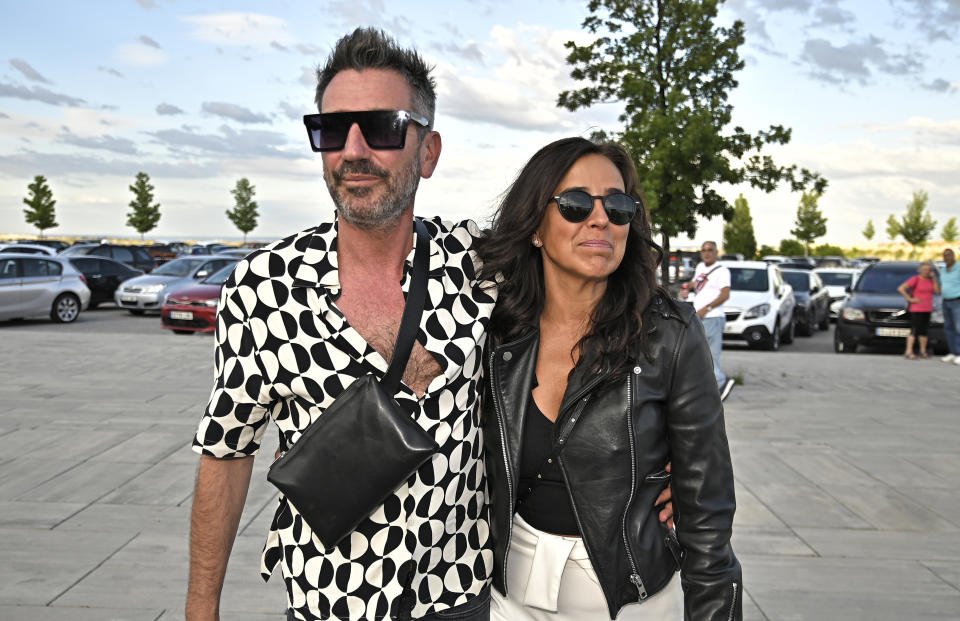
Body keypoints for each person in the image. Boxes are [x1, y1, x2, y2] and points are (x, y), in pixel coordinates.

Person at [185, 29, 674, 621]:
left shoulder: (482, 266)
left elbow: (595, 302)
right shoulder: (261, 286)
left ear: (429, 151)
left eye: (384, 128)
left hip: (461, 597)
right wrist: (200, 608)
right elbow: (227, 451)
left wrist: (654, 452)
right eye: (333, 130)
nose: (354, 150)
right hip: (328, 602)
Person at [477, 138, 741, 621]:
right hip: (505, 599)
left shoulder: (670, 334)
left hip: (633, 602)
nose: (600, 219)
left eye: (618, 206)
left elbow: (708, 510)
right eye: (575, 204)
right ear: (535, 226)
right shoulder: (491, 329)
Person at [681, 241, 734, 401]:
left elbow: (725, 294)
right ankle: (707, 390)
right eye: (703, 250)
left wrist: (707, 309)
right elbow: (697, 284)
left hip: (713, 317)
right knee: (699, 355)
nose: (706, 253)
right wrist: (686, 289)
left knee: (712, 354)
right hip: (699, 317)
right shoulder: (700, 268)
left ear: (716, 252)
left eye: (710, 250)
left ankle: (721, 384)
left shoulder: (722, 271)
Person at [897, 261, 940, 359]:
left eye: (928, 270)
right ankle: (908, 351)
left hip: (927, 308)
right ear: (920, 270)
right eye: (924, 270)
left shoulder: (930, 281)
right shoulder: (915, 279)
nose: (926, 272)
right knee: (915, 330)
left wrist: (934, 279)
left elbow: (937, 291)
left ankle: (923, 351)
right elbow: (901, 288)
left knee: (923, 331)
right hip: (917, 309)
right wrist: (910, 299)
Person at [938, 248, 960, 365]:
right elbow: (941, 285)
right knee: (948, 328)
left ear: (954, 256)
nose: (947, 257)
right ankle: (953, 352)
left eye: (949, 255)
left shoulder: (959, 268)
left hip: (957, 301)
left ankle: (959, 353)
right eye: (945, 255)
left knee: (958, 328)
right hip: (945, 301)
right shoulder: (943, 270)